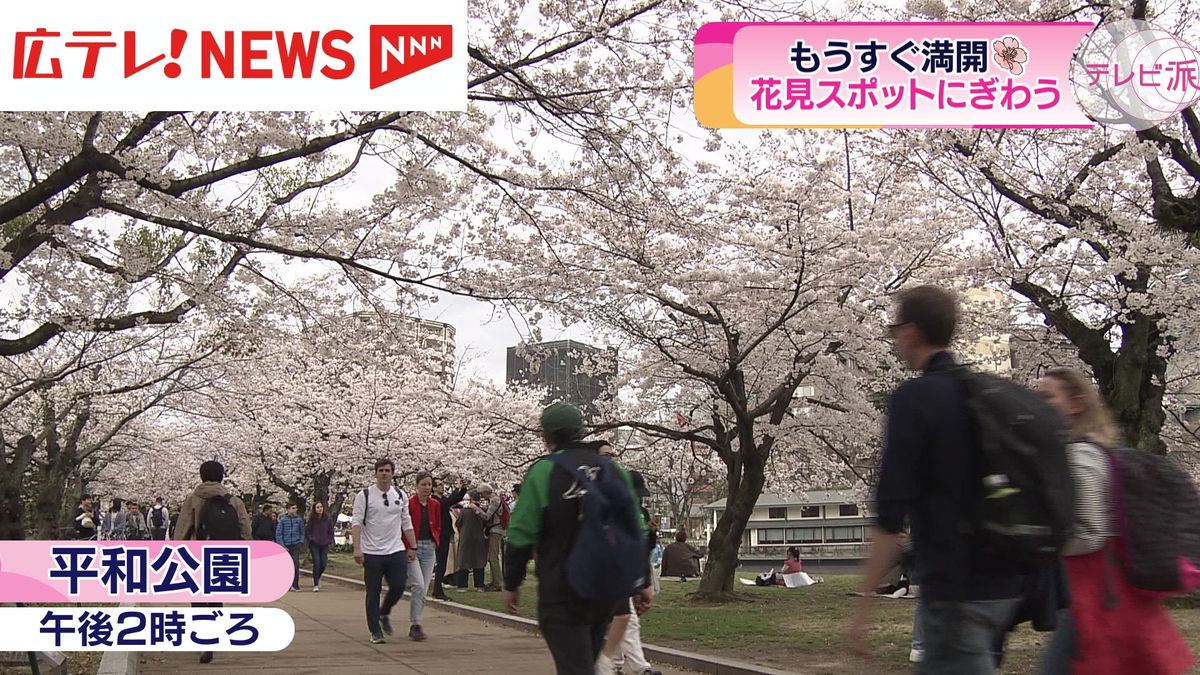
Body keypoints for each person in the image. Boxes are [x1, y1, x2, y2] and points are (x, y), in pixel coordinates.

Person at [848, 284, 1023, 674]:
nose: (895, 343)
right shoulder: (987, 393)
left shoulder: (916, 398)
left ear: (911, 331)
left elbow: (890, 512)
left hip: (957, 583)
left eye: (895, 333)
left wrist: (863, 608)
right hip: (1010, 584)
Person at [1035, 368, 1194, 675]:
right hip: (1102, 588)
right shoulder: (1087, 452)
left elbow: (1088, 531)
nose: (1039, 403)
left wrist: (1042, 541)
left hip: (1096, 589)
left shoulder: (1079, 457)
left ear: (1076, 403)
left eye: (1047, 396)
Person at [504, 402, 653, 675]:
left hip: (560, 591)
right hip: (602, 591)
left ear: (546, 436)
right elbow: (635, 528)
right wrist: (642, 580)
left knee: (576, 668)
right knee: (584, 665)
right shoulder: (612, 470)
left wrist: (512, 583)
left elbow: (520, 533)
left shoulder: (543, 472)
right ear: (582, 431)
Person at [174, 460, 251, 665]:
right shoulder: (234, 501)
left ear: (201, 476)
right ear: (222, 476)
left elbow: (182, 530)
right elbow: (245, 530)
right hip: (222, 556)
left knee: (198, 597)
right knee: (216, 597)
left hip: (196, 556)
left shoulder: (192, 499)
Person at [597, 467, 661, 675]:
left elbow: (645, 547)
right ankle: (635, 667)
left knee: (623, 619)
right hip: (611, 570)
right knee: (624, 619)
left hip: (630, 570)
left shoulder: (641, 513)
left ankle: (618, 664)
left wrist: (651, 533)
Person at [351, 459, 417, 644]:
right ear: (375, 473)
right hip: (372, 551)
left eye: (388, 470)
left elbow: (406, 521)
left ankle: (384, 612)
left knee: (398, 585)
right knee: (373, 591)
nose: (384, 473)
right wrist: (358, 548)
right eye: (381, 470)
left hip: (395, 548)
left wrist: (413, 546)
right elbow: (356, 522)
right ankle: (375, 630)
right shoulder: (364, 495)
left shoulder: (400, 494)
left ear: (392, 473)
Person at [406, 471, 440, 640]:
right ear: (417, 486)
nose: (427, 488)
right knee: (418, 585)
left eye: (429, 484)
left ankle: (416, 624)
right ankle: (415, 622)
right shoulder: (409, 504)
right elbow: (405, 525)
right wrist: (409, 546)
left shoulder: (434, 504)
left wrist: (435, 541)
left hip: (429, 548)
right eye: (424, 484)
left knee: (424, 588)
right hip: (414, 547)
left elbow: (438, 525)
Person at [432, 477, 468, 600]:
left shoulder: (442, 499)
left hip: (446, 533)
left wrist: (462, 489)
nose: (442, 486)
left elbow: (453, 499)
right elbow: (450, 501)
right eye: (439, 485)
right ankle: (437, 590)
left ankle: (438, 589)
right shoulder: (435, 500)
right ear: (434, 488)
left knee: (442, 563)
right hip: (440, 534)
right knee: (441, 562)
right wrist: (458, 489)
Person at [455, 490, 487, 591]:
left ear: (471, 498)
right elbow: (486, 521)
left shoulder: (464, 511)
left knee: (464, 561)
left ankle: (462, 586)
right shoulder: (483, 511)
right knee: (479, 561)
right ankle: (479, 585)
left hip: (466, 537)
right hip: (479, 537)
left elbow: (458, 523)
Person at [478, 482, 505, 591]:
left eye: (481, 494)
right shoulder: (496, 499)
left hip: (496, 530)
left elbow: (486, 516)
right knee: (492, 556)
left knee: (493, 557)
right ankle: (495, 581)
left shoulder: (494, 500)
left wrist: (477, 509)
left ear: (485, 492)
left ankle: (497, 583)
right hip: (498, 529)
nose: (481, 496)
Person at [275, 503, 306, 592]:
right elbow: (279, 534)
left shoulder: (299, 520)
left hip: (296, 544)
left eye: (295, 508)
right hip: (286, 545)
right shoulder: (283, 520)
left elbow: (302, 532)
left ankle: (295, 584)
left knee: (296, 564)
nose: (294, 510)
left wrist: (301, 541)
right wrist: (282, 545)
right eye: (293, 508)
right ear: (288, 509)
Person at [306, 501, 334, 592]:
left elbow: (330, 531)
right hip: (314, 544)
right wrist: (312, 539)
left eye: (321, 507)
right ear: (314, 509)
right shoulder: (312, 520)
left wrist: (329, 540)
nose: (320, 509)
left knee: (323, 564)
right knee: (317, 563)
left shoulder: (327, 519)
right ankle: (316, 584)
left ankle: (317, 576)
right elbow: (308, 532)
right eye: (317, 507)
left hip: (324, 544)